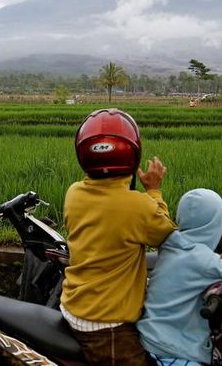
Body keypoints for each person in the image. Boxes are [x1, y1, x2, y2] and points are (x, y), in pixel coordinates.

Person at [60, 108, 176, 366]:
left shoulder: (74, 193)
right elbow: (166, 232)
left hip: (75, 305)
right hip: (107, 326)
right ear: (133, 154)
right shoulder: (139, 206)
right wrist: (154, 191)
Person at [138, 189, 222, 365]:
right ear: (216, 223)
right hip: (173, 351)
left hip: (148, 337)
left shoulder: (169, 243)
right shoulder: (205, 260)